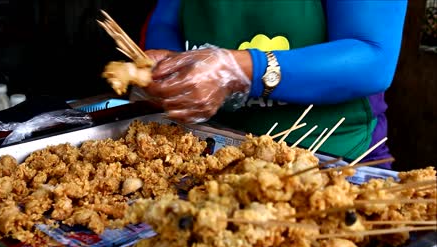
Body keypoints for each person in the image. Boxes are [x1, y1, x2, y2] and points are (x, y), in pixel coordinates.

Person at [138, 0, 408, 168]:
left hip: (328, 160)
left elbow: (373, 56)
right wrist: (170, 64)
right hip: (208, 155)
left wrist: (242, 70)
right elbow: (167, 19)